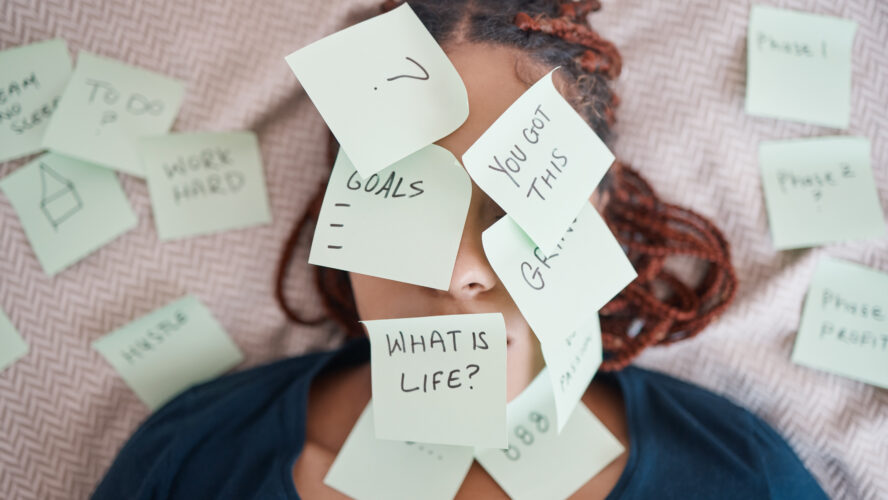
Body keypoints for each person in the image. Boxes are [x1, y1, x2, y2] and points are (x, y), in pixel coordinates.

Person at [93, 1, 828, 498]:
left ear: (598, 209)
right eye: (404, 195)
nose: (459, 270)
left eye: (509, 203)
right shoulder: (191, 461)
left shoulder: (742, 477)